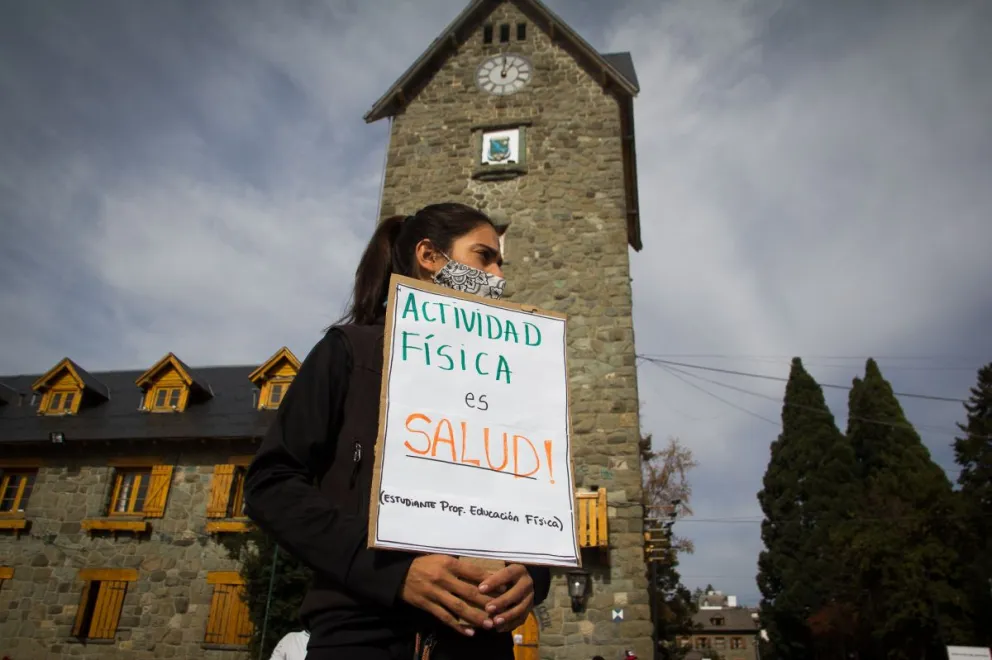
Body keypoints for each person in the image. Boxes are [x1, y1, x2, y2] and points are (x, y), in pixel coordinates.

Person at [244, 203, 551, 660]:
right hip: (360, 637)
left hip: (479, 643)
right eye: (484, 257)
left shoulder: (509, 382)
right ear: (430, 256)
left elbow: (531, 505)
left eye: (500, 263)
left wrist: (531, 576)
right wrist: (391, 573)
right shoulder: (351, 352)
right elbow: (272, 483)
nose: (499, 277)